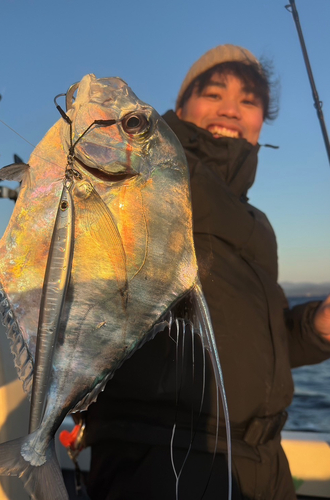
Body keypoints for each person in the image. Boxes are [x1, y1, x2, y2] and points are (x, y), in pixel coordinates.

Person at [84, 44, 330, 500]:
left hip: (264, 465)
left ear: (260, 123)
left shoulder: (257, 223)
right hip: (167, 458)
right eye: (214, 94)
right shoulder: (145, 174)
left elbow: (257, 343)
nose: (231, 109)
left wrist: (316, 327)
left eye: (249, 101)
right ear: (181, 108)